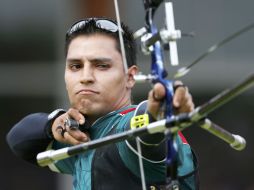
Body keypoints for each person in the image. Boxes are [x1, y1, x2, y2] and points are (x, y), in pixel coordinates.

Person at [6, 18, 198, 190]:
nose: (85, 77)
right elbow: (19, 139)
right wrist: (53, 124)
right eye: (75, 66)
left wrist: (159, 114)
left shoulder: (126, 129)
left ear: (130, 77)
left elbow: (144, 130)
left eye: (101, 66)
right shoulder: (82, 136)